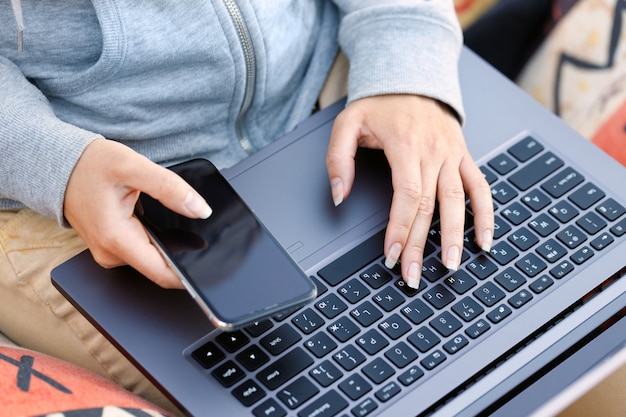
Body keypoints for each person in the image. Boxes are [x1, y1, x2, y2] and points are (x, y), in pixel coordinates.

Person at [0, 0, 494, 413]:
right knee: (305, 389)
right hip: (83, 180)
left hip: (341, 85)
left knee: (501, 304)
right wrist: (57, 166)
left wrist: (407, 70)